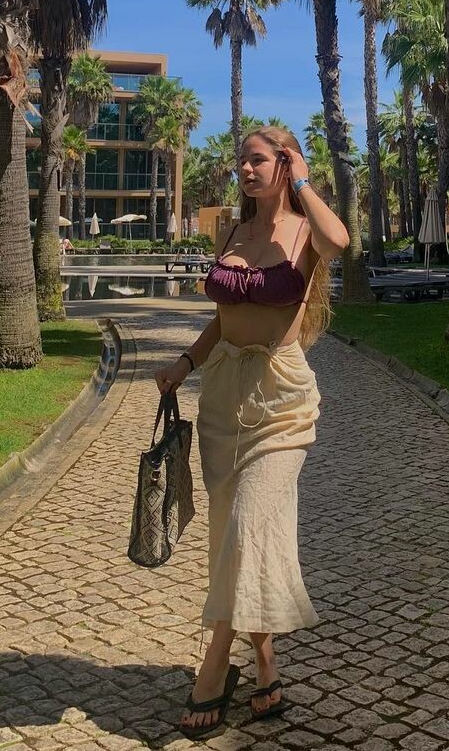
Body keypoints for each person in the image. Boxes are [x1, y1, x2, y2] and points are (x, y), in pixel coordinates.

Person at [154, 125, 349, 739]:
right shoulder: (233, 233)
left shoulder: (305, 231)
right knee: (233, 537)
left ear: (285, 163)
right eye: (242, 160)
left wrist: (305, 182)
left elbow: (340, 242)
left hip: (281, 399)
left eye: (259, 160)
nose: (245, 168)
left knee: (248, 524)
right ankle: (266, 668)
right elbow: (223, 317)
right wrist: (184, 363)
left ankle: (215, 666)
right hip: (221, 397)